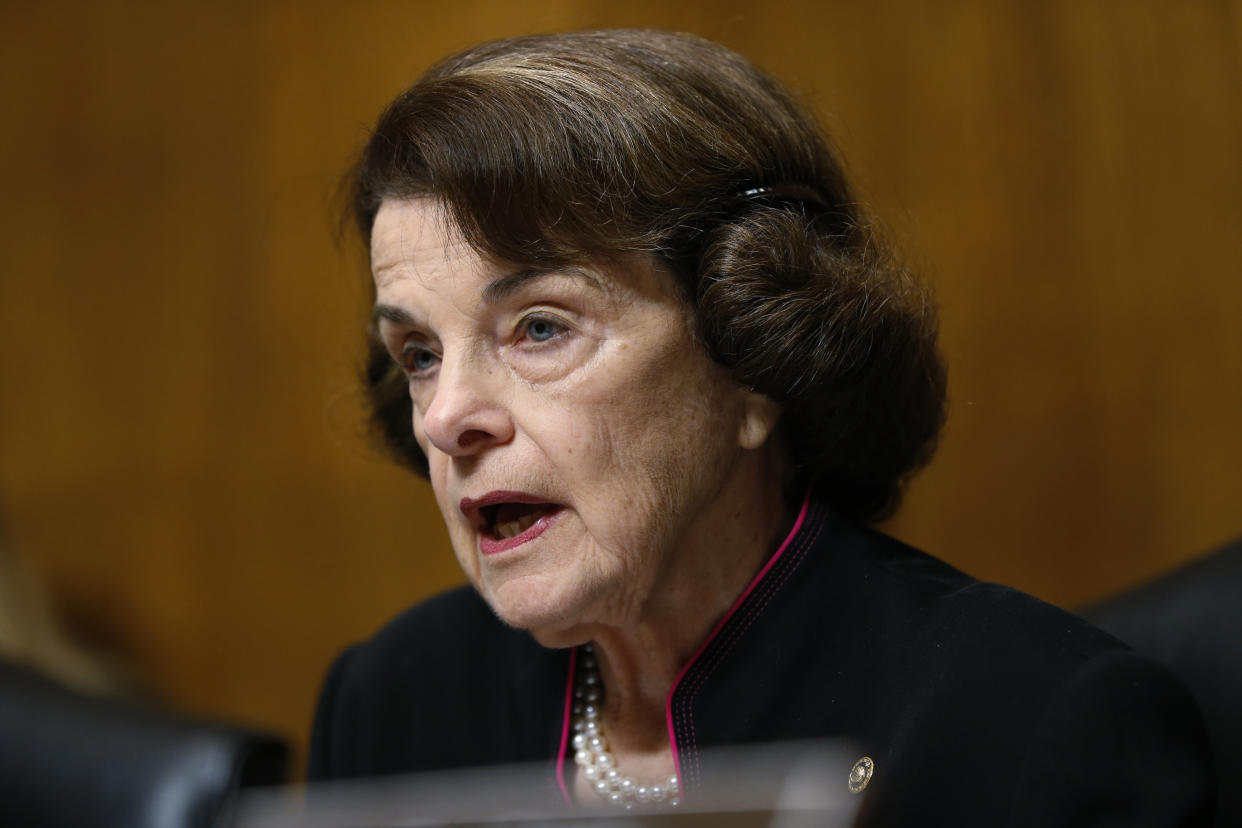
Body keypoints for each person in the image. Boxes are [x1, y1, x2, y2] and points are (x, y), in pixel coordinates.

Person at [309, 30, 1213, 825]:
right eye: (420, 352)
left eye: (541, 327)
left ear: (755, 367)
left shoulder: (1036, 725)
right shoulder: (393, 702)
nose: (450, 417)